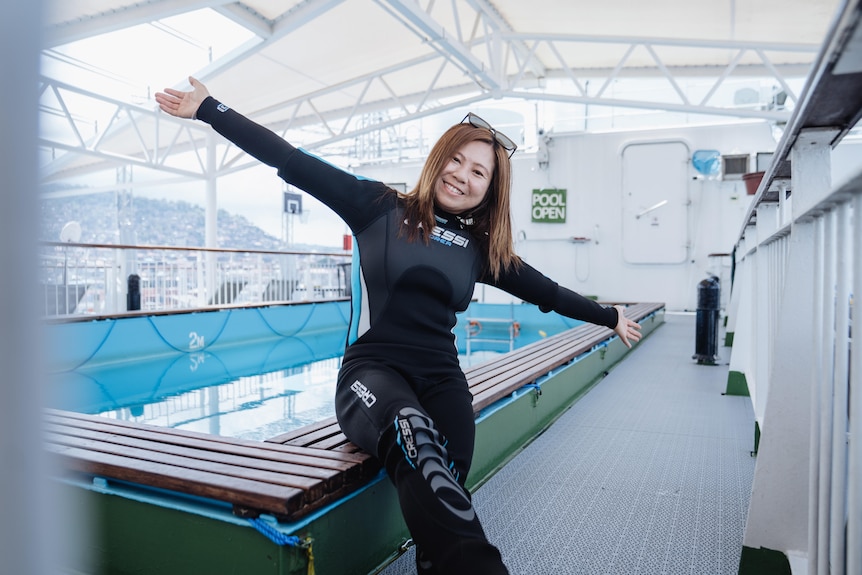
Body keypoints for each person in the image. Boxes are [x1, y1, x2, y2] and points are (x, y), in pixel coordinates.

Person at [156, 77, 642, 575]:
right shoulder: (378, 207)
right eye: (456, 160)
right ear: (438, 159)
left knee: (448, 478)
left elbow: (549, 293)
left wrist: (610, 317)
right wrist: (209, 109)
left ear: (490, 190)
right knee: (417, 441)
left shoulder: (481, 252)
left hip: (442, 380)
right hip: (370, 375)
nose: (462, 176)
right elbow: (290, 158)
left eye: (479, 172)